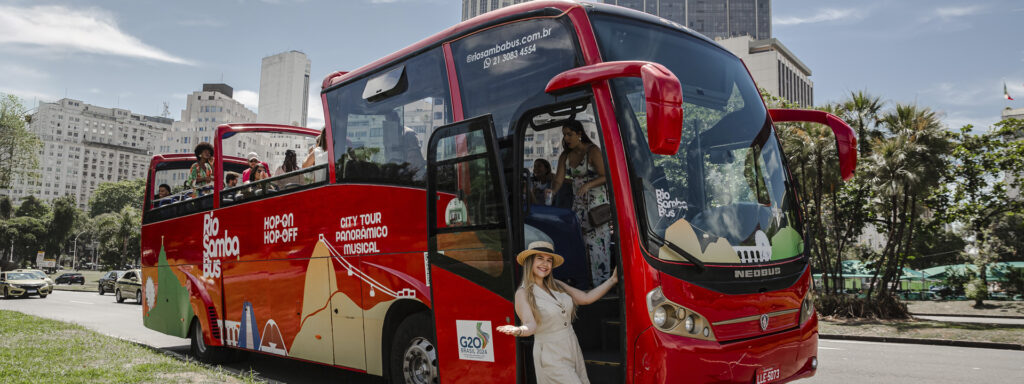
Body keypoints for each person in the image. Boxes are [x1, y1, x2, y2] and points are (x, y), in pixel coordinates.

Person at [496, 241, 618, 384]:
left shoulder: (557, 284)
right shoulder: (523, 293)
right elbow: (530, 325)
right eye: (540, 258)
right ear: (530, 261)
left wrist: (612, 280)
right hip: (550, 353)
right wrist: (518, 330)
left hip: (571, 345)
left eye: (549, 260)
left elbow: (586, 298)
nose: (545, 264)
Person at [548, 121, 611, 286]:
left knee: (598, 246)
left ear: (579, 134)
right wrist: (552, 191)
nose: (566, 138)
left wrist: (588, 185)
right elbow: (558, 180)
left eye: (569, 134)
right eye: (564, 135)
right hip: (579, 206)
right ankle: (584, 283)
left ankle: (601, 285)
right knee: (579, 244)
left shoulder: (593, 151)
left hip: (597, 207)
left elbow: (606, 176)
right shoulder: (565, 156)